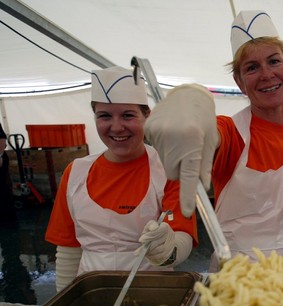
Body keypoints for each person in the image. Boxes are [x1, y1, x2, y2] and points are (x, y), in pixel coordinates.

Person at [145, 10, 283, 271]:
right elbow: (208, 137)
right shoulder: (229, 131)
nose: (266, 74)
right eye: (251, 68)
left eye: (274, 61)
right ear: (240, 82)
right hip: (236, 282)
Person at [45, 66, 196, 292]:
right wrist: (63, 304)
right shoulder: (75, 172)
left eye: (128, 115)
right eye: (104, 116)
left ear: (147, 116)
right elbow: (68, 249)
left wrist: (167, 249)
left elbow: (182, 238)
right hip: (91, 295)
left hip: (155, 294)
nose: (116, 127)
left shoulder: (169, 170)